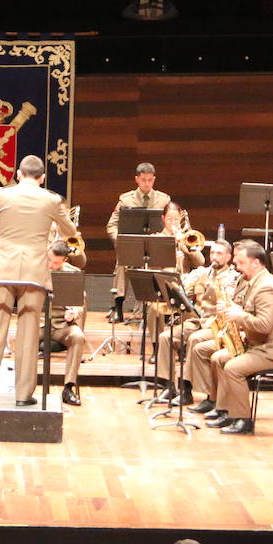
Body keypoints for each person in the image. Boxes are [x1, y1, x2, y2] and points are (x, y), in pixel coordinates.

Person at [0, 155, 77, 406]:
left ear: (18, 174)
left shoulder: (2, 195)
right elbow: (70, 231)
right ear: (42, 178)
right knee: (29, 335)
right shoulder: (51, 200)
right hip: (34, 273)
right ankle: (23, 395)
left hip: (3, 269)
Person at [190, 240, 273, 434]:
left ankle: (243, 419)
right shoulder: (253, 282)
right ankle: (225, 411)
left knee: (233, 368)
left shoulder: (266, 287)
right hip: (259, 345)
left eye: (240, 262)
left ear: (255, 262)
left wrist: (239, 316)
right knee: (218, 357)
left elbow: (264, 325)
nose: (237, 267)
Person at [158, 238, 238, 406]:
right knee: (166, 336)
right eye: (212, 253)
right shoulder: (202, 272)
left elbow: (226, 301)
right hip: (198, 321)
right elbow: (183, 291)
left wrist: (208, 283)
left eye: (219, 254)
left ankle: (187, 389)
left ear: (228, 257)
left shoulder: (232, 278)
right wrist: (181, 282)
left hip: (217, 324)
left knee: (195, 340)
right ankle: (169, 385)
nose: (214, 257)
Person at [104, 162, 170, 322]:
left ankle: (164, 309)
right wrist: (121, 241)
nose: (147, 183)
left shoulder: (163, 200)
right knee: (122, 262)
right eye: (143, 180)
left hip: (154, 248)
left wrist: (161, 237)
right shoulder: (125, 200)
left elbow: (169, 223)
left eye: (150, 180)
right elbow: (111, 225)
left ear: (154, 179)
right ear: (137, 179)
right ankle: (118, 306)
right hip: (132, 247)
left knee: (168, 264)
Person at [46, 240, 87, 405]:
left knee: (77, 336)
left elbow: (81, 302)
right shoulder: (35, 270)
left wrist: (74, 313)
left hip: (61, 324)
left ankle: (68, 387)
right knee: (23, 334)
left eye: (56, 263)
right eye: (49, 260)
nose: (51, 265)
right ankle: (21, 387)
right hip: (39, 324)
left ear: (64, 260)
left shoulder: (72, 273)